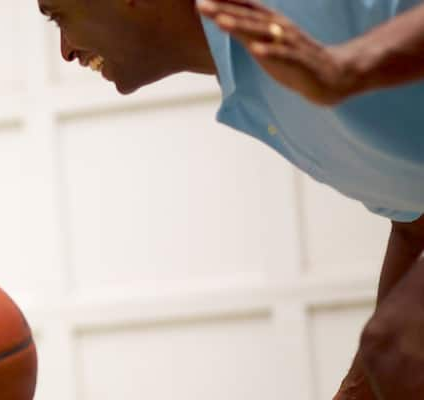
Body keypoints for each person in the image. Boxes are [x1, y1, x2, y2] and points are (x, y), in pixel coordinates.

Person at [37, 0, 424, 398]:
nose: (65, 50)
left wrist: (353, 65)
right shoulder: (257, 84)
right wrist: (361, 386)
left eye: (56, 14)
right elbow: (414, 219)